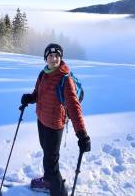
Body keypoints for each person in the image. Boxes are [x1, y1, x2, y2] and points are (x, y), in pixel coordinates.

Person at [21, 43, 91, 196]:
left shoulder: (66, 79)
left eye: (57, 56)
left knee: (51, 165)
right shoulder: (43, 74)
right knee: (47, 154)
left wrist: (82, 134)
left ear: (61, 58)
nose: (53, 59)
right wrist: (29, 98)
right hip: (42, 121)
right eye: (50, 56)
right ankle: (48, 182)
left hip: (54, 126)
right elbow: (38, 94)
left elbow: (74, 108)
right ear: (46, 58)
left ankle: (58, 191)